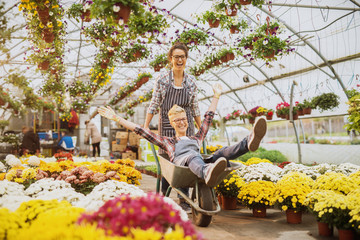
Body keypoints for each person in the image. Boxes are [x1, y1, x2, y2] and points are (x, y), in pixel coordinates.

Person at [99, 83, 267, 188]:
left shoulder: (196, 138)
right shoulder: (167, 142)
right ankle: (207, 172)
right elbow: (141, 130)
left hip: (199, 162)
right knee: (191, 157)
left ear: (187, 121)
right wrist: (116, 118)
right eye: (177, 120)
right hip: (184, 164)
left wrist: (216, 96)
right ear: (172, 123)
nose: (181, 122)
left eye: (183, 119)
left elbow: (208, 118)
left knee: (221, 153)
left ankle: (249, 142)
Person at [144, 42, 201, 207]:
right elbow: (154, 104)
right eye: (176, 57)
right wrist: (146, 126)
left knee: (185, 159)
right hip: (167, 127)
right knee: (168, 161)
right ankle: (165, 195)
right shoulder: (162, 80)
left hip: (186, 126)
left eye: (182, 57)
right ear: (171, 59)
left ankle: (184, 199)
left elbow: (195, 107)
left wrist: (200, 129)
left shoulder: (190, 82)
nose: (179, 60)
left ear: (186, 59)